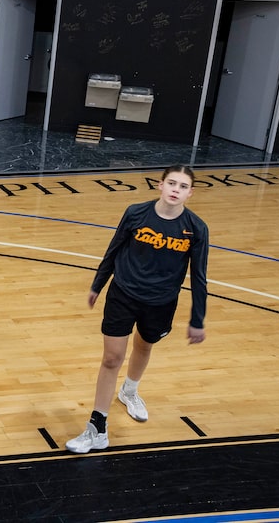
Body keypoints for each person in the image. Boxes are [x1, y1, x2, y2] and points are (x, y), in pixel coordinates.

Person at [66, 164, 209, 454]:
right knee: (111, 358)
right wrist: (98, 285)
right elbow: (113, 250)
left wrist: (197, 319)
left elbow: (199, 276)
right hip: (123, 295)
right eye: (172, 183)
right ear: (160, 184)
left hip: (161, 302)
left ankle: (129, 391)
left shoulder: (196, 229)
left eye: (183, 186)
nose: (175, 190)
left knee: (144, 347)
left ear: (190, 193)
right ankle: (97, 427)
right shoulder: (135, 213)